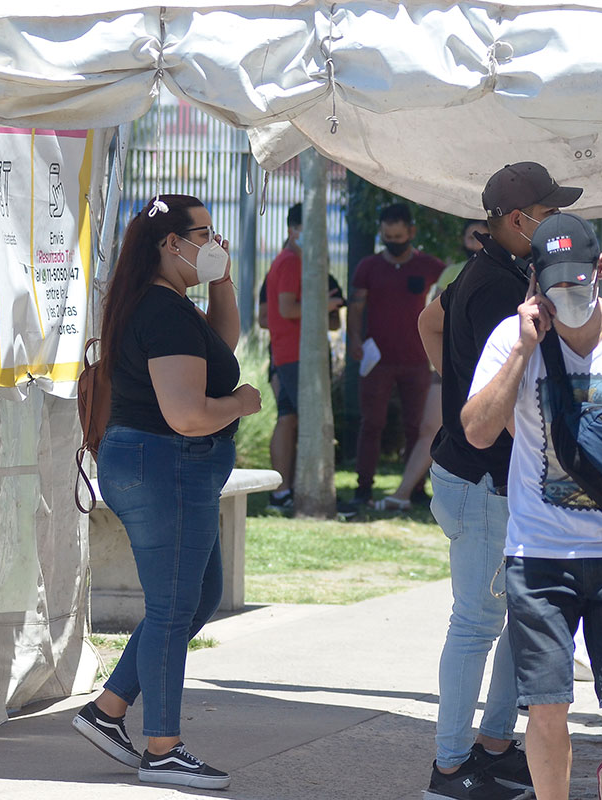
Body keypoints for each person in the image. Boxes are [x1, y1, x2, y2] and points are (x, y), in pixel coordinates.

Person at [463, 211, 602, 800]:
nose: (566, 290)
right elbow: (478, 433)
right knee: (545, 706)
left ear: (598, 269)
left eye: (576, 275)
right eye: (552, 278)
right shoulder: (510, 341)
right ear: (535, 280)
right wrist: (522, 350)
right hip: (539, 554)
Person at [71, 194, 260, 789]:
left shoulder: (170, 305)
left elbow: (220, 347)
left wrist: (223, 281)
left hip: (166, 467)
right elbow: (186, 414)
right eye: (201, 234)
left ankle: (107, 711)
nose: (213, 243)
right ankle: (163, 747)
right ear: (168, 245)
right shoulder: (164, 311)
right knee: (174, 605)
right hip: (166, 464)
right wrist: (241, 405)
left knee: (195, 597)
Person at [418, 161, 582, 800]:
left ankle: (489, 746)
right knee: (477, 625)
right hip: (485, 481)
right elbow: (508, 401)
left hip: (496, 479)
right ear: (519, 220)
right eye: (549, 213)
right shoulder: (494, 287)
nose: (558, 224)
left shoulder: (490, 273)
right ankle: (450, 767)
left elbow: (429, 324)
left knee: (519, 620)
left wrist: (455, 382)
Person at [375, 220, 487, 512]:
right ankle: (403, 492)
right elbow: (435, 320)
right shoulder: (452, 272)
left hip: (486, 371)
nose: (477, 241)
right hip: (451, 365)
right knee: (430, 429)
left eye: (483, 235)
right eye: (471, 235)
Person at [347, 202, 445, 505]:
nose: (393, 241)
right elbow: (356, 305)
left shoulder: (430, 266)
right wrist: (353, 338)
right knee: (371, 423)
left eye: (399, 236)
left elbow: (446, 292)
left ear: (411, 232)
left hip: (418, 359)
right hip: (377, 361)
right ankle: (364, 485)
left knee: (418, 427)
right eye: (387, 236)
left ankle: (415, 487)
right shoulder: (369, 267)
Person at [264, 203, 345, 512]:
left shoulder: (294, 261)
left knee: (288, 418)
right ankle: (291, 490)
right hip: (295, 355)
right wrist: (324, 304)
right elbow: (287, 310)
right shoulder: (290, 263)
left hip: (292, 353)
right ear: (293, 230)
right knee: (299, 420)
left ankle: (282, 491)